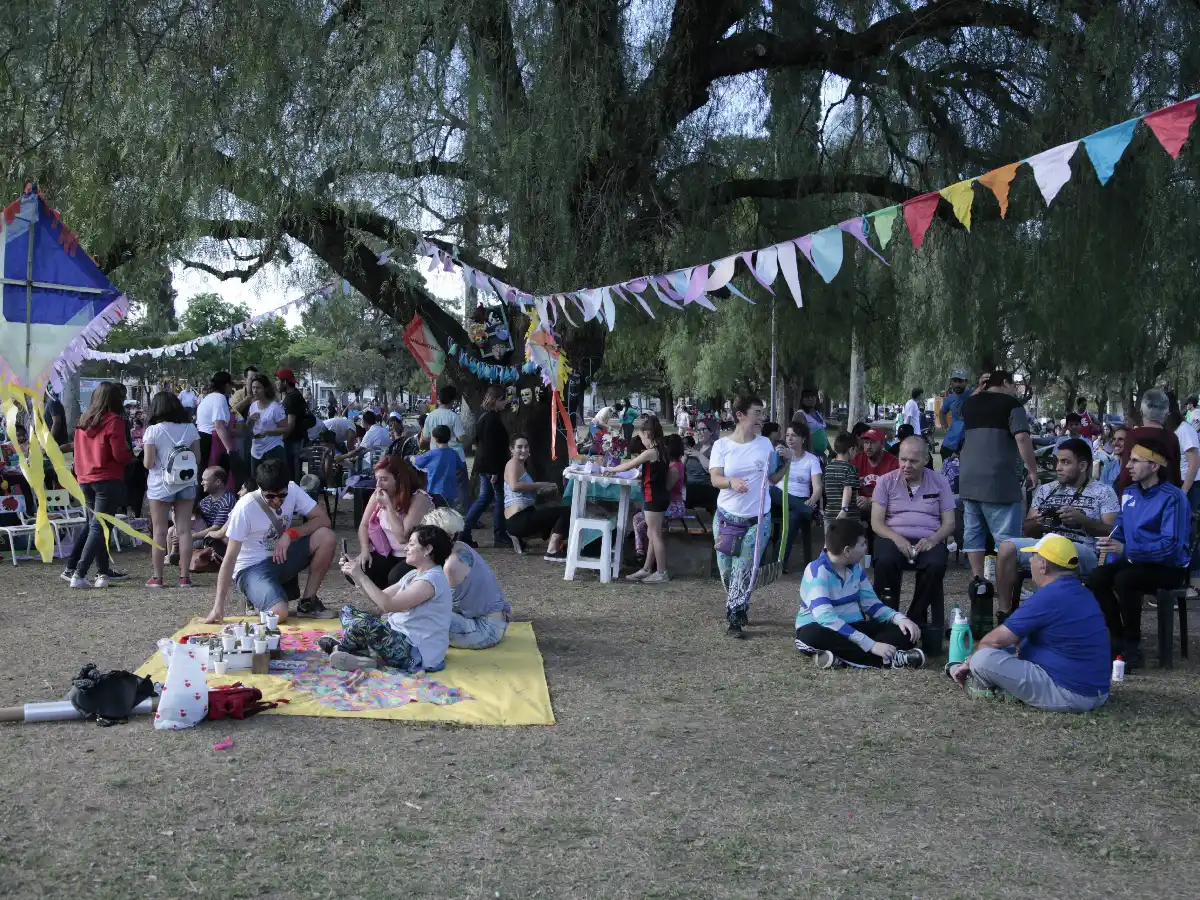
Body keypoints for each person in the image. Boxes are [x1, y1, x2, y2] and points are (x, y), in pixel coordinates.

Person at [949, 534, 1110, 711]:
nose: (1030, 562)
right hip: (1097, 692)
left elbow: (995, 640)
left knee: (982, 659)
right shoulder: (1082, 593)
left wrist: (968, 662)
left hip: (1068, 693)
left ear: (1043, 565)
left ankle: (985, 682)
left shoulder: (1049, 596)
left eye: (1033, 557)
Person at [1088, 436, 1192, 668]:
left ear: (1154, 466)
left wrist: (1127, 549)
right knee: (1097, 578)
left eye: (1135, 461)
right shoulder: (1130, 493)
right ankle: (1118, 638)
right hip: (1136, 560)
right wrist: (1110, 541)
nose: (1128, 465)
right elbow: (1121, 531)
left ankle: (1132, 645)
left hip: (1169, 567)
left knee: (1126, 579)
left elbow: (1170, 546)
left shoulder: (1173, 497)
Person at [203, 457, 336, 623]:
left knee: (326, 536)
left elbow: (323, 520)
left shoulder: (293, 490)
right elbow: (230, 559)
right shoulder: (245, 507)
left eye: (282, 495)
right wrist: (218, 607)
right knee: (278, 613)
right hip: (250, 568)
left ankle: (308, 603)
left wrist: (291, 533)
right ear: (260, 489)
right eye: (270, 496)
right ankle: (257, 597)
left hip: (281, 557)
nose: (277, 501)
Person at [994, 439, 1119, 616]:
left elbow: (1111, 531)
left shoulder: (1104, 492)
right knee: (1006, 547)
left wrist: (1083, 520)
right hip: (1046, 545)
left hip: (1085, 552)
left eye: (1065, 462)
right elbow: (1027, 530)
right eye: (1057, 462)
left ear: (1082, 466)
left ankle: (1046, 615)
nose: (1058, 467)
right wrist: (1037, 522)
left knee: (1052, 552)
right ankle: (1005, 614)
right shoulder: (1046, 490)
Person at [794, 518, 925, 669]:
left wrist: (900, 619)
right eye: (862, 545)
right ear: (847, 551)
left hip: (854, 627)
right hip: (821, 627)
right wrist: (871, 645)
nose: (865, 549)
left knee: (905, 632)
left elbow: (872, 605)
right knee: (815, 636)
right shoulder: (816, 571)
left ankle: (838, 658)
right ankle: (892, 659)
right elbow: (826, 619)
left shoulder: (855, 568)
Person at [710, 395, 790, 637]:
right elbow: (715, 479)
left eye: (762, 413)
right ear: (740, 415)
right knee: (727, 572)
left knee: (744, 567)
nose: (761, 418)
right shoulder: (722, 446)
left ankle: (734, 618)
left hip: (757, 520)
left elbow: (772, 480)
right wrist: (731, 482)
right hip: (726, 519)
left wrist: (787, 462)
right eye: (757, 413)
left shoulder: (765, 444)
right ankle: (739, 604)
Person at [327, 525, 454, 672]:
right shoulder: (414, 574)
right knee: (347, 611)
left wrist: (362, 576)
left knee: (364, 624)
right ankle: (357, 653)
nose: (406, 548)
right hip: (398, 638)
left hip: (415, 652)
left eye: (411, 544)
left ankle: (345, 650)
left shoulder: (431, 580)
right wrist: (356, 577)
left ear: (428, 550)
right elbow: (379, 598)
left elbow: (388, 605)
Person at [958, 370, 1038, 587]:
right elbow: (1022, 437)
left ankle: (977, 581)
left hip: (968, 479)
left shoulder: (969, 405)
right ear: (1005, 382)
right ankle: (1006, 588)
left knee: (973, 535)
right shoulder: (1012, 405)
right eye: (1013, 384)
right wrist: (1032, 469)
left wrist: (977, 390)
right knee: (1006, 541)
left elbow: (959, 413)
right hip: (999, 481)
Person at [870, 436, 956, 628]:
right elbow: (876, 523)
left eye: (914, 461)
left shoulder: (939, 481)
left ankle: (914, 617)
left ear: (926, 460)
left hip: (928, 537)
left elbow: (949, 523)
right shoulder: (886, 482)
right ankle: (887, 618)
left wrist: (934, 539)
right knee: (885, 560)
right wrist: (897, 538)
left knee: (935, 564)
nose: (906, 465)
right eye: (903, 459)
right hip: (892, 536)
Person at [63, 382, 132, 589]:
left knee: (98, 526)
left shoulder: (82, 421)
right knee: (99, 526)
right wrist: (131, 458)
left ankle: (102, 573)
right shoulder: (114, 421)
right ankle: (80, 573)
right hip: (107, 478)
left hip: (84, 477)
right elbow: (119, 454)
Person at [422, 507, 511, 650]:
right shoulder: (460, 547)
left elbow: (443, 605)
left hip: (485, 631)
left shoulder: (452, 565)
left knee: (419, 615)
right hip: (495, 622)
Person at [141, 390, 201, 588]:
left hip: (161, 484)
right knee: (184, 530)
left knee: (159, 531)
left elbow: (148, 463)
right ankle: (185, 577)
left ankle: (158, 577)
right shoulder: (190, 428)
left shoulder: (153, 431)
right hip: (186, 482)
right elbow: (197, 458)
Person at [605, 415, 674, 584]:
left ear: (648, 434)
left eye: (642, 436)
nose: (641, 440)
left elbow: (631, 464)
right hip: (660, 496)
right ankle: (646, 568)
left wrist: (612, 469)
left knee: (655, 535)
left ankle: (662, 571)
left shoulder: (651, 452)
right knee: (652, 533)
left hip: (654, 497)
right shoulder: (662, 451)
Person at [355, 455, 435, 588]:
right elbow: (364, 525)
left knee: (396, 576)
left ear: (398, 480)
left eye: (384, 479)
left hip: (417, 556)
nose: (378, 485)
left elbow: (403, 537)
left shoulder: (419, 498)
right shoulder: (378, 495)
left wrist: (388, 508)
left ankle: (396, 601)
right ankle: (386, 601)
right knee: (357, 568)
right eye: (377, 479)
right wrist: (365, 550)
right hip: (389, 553)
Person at [627, 432, 686, 574]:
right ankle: (643, 557)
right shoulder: (671, 465)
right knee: (642, 521)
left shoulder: (675, 468)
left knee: (647, 526)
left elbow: (664, 489)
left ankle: (646, 560)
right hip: (666, 505)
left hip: (673, 506)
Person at [770, 420, 822, 574]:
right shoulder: (780, 454)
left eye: (794, 436)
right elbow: (771, 479)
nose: (789, 439)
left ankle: (778, 563)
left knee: (793, 518)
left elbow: (818, 486)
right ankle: (810, 511)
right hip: (778, 495)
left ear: (803, 439)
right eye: (787, 435)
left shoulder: (811, 459)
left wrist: (813, 499)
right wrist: (779, 457)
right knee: (775, 492)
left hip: (800, 499)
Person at [503, 435, 569, 555]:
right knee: (566, 512)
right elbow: (514, 486)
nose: (524, 450)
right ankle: (552, 549)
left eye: (526, 446)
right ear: (511, 449)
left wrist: (546, 488)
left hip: (523, 515)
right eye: (519, 447)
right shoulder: (512, 463)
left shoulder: (520, 465)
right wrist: (539, 485)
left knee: (554, 510)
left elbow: (525, 491)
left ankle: (523, 538)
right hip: (518, 519)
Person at [463, 385, 510, 549]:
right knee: (498, 499)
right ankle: (499, 534)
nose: (506, 402)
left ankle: (465, 530)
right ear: (496, 400)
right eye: (503, 399)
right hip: (492, 466)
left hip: (485, 465)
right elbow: (492, 448)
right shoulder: (491, 420)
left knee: (485, 499)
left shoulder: (484, 417)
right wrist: (495, 470)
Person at [1114, 388, 1181, 494]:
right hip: (1167, 498)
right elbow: (1176, 474)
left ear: (1141, 412)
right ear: (1166, 414)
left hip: (1136, 498)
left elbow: (1126, 472)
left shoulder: (1133, 435)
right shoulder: (1172, 438)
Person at [169, 465, 236, 565]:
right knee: (172, 530)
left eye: (205, 480)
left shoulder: (227, 501)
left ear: (218, 482)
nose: (201, 483)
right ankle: (173, 555)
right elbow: (195, 517)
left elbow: (216, 528)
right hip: (201, 535)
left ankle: (177, 554)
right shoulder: (205, 501)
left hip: (215, 538)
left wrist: (190, 537)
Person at [245, 374, 289, 489]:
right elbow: (249, 429)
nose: (255, 391)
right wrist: (250, 421)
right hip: (256, 449)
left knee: (273, 481)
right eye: (253, 387)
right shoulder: (253, 406)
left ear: (265, 389)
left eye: (258, 388)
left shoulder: (275, 407)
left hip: (272, 447)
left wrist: (268, 432)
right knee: (256, 481)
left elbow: (285, 428)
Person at [195, 371, 238, 487]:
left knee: (205, 474)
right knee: (215, 475)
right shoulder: (220, 398)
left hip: (203, 438)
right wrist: (230, 450)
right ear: (227, 385)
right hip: (211, 441)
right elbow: (219, 425)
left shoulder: (208, 398)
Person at [412, 424, 467, 507]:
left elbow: (418, 462)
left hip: (434, 492)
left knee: (436, 516)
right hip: (450, 492)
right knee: (448, 514)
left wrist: (411, 458)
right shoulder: (454, 454)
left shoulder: (431, 454)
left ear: (435, 439)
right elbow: (460, 466)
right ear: (449, 438)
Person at [276, 368, 313, 481]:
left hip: (294, 441)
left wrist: (280, 440)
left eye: (278, 380)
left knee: (292, 473)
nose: (276, 383)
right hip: (297, 439)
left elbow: (290, 425)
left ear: (285, 382)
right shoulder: (294, 395)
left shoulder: (292, 398)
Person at [853, 427, 899, 519]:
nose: (868, 446)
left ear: (882, 444)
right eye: (866, 442)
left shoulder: (893, 462)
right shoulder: (857, 459)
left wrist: (872, 501)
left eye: (873, 442)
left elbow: (896, 493)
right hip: (859, 507)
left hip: (884, 509)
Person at [683, 418, 720, 512]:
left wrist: (699, 455)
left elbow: (713, 470)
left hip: (706, 492)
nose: (699, 432)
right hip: (690, 491)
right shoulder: (696, 447)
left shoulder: (716, 448)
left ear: (712, 431)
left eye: (703, 429)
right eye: (698, 429)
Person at [823, 431, 860, 521]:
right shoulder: (851, 468)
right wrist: (844, 509)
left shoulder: (828, 467)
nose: (856, 453)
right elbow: (847, 488)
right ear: (851, 450)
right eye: (855, 450)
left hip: (829, 515)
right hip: (848, 517)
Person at [938, 369, 972, 459]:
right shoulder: (950, 399)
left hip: (968, 444)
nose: (957, 384)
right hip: (949, 444)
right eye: (955, 381)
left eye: (960, 381)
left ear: (966, 382)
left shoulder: (974, 394)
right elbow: (941, 412)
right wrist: (945, 428)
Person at [794, 388, 828, 456]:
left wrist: (830, 449)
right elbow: (796, 436)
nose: (810, 399)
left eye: (812, 397)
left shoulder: (817, 414)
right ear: (802, 400)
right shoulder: (800, 415)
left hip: (821, 455)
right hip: (808, 455)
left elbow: (823, 433)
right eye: (807, 397)